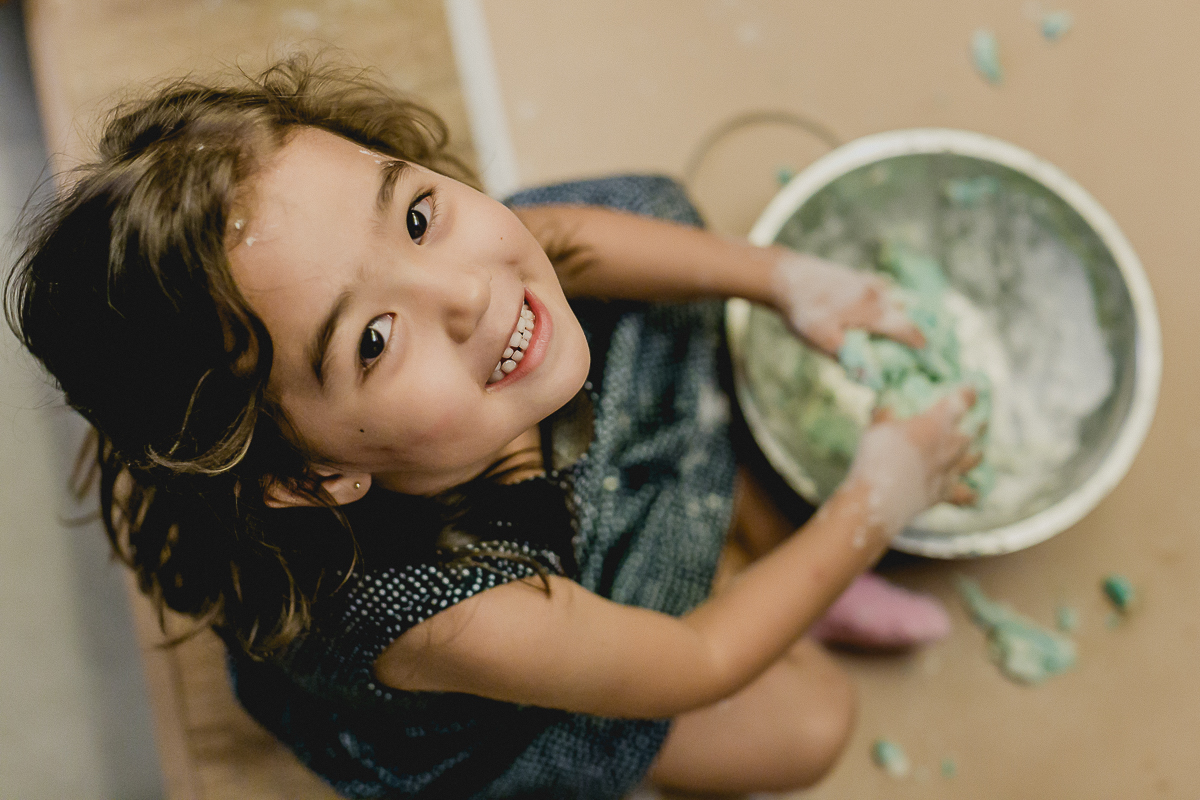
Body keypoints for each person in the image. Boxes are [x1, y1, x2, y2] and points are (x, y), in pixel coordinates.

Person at [6, 58, 978, 798]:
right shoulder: (453, 617)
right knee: (811, 721)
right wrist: (872, 501)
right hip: (520, 665)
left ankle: (748, 557)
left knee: (638, 227)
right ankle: (766, 570)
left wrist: (781, 279)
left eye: (417, 215)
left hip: (527, 505)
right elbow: (701, 663)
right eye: (374, 339)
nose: (470, 289)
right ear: (309, 473)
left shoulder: (425, 306)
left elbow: (553, 235)